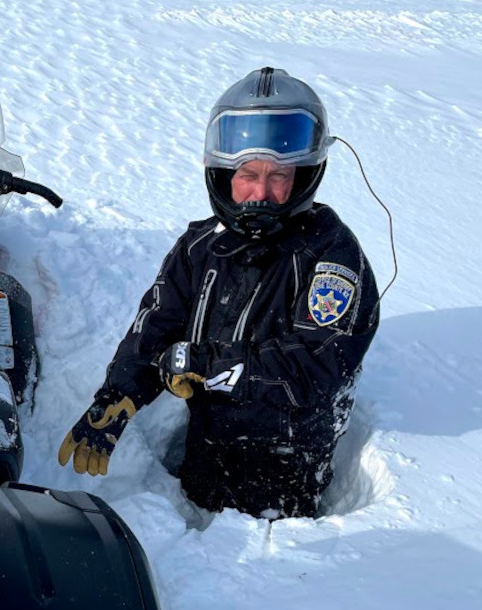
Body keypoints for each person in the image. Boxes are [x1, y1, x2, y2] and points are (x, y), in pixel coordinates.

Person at [58, 66, 380, 519]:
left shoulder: (331, 258)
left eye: (279, 175)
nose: (260, 193)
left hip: (284, 476)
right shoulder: (201, 245)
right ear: (223, 173)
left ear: (305, 176)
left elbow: (315, 366)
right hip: (205, 454)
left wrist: (208, 363)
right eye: (247, 174)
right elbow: (158, 322)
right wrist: (120, 393)